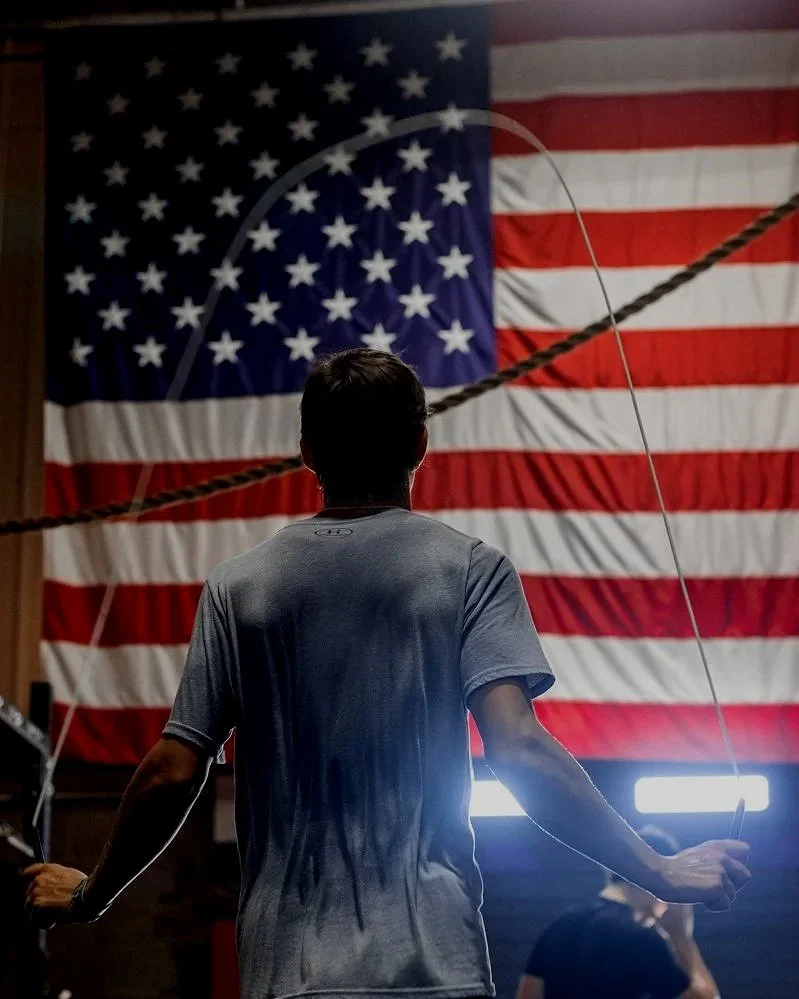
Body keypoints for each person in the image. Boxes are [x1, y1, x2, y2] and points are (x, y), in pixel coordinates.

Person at [25, 350, 749, 999]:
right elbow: (519, 749)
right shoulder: (470, 569)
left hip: (288, 973)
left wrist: (92, 894)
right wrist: (657, 869)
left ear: (307, 452)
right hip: (432, 966)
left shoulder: (238, 587)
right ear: (420, 445)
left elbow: (173, 770)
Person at [516, 827, 720, 999]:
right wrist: (681, 936)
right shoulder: (643, 939)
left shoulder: (560, 927)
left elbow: (527, 994)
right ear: (661, 884)